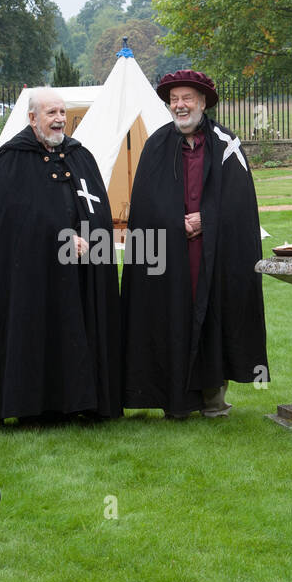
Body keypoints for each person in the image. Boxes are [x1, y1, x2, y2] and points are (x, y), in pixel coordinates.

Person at [121, 69, 267, 418]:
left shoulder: (226, 144)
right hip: (171, 254)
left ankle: (214, 398)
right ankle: (174, 397)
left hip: (214, 252)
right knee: (172, 316)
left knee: (214, 314)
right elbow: (146, 203)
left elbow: (240, 204)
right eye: (174, 100)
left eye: (187, 98)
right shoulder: (156, 145)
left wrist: (206, 218)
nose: (180, 106)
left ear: (203, 102)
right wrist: (173, 222)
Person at [0, 87, 121, 424]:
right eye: (51, 113)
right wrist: (58, 237)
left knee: (81, 327)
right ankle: (33, 406)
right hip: (33, 273)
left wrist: (88, 234)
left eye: (62, 113)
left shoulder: (80, 155)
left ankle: (84, 401)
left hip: (81, 267)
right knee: (36, 330)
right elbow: (13, 220)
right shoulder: (13, 159)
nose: (59, 120)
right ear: (32, 118)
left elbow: (96, 206)